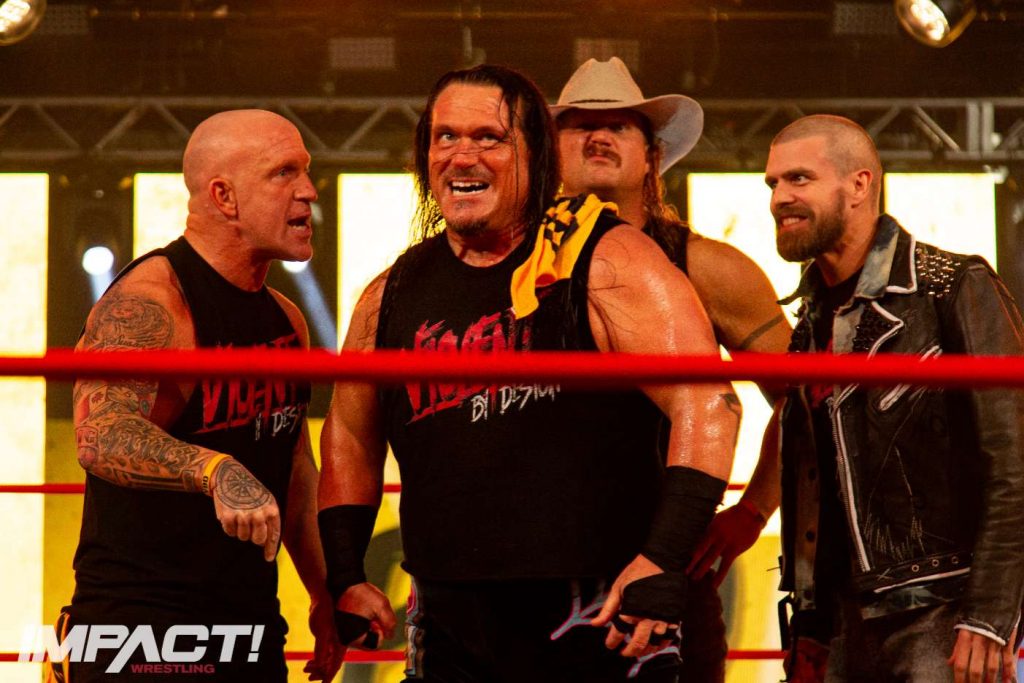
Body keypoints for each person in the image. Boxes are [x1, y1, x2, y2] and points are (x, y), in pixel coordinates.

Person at [317, 64, 740, 683]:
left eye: (489, 138)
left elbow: (708, 404)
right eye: (445, 136)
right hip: (448, 615)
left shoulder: (607, 258)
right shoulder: (393, 290)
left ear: (535, 153)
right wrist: (345, 573)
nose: (462, 155)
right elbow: (350, 432)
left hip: (596, 612)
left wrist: (662, 558)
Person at [64, 109, 341, 682]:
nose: (309, 192)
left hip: (250, 627)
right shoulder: (151, 301)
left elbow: (293, 468)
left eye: (306, 171)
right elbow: (100, 434)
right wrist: (215, 469)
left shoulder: (285, 320)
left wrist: (326, 592)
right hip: (141, 631)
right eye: (284, 173)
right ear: (224, 196)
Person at [553, 56, 792, 682]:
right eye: (580, 124)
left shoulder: (709, 267)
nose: (599, 136)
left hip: (662, 561)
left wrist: (752, 511)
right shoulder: (511, 266)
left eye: (620, 125)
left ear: (651, 155)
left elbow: (810, 401)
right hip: (526, 571)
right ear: (551, 149)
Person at [765, 113, 1024, 683]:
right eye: (773, 183)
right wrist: (809, 618)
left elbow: (1015, 456)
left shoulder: (951, 285)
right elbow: (814, 477)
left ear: (859, 184)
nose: (779, 197)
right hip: (840, 617)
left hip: (940, 609)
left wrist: (990, 614)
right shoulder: (811, 316)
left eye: (799, 178)